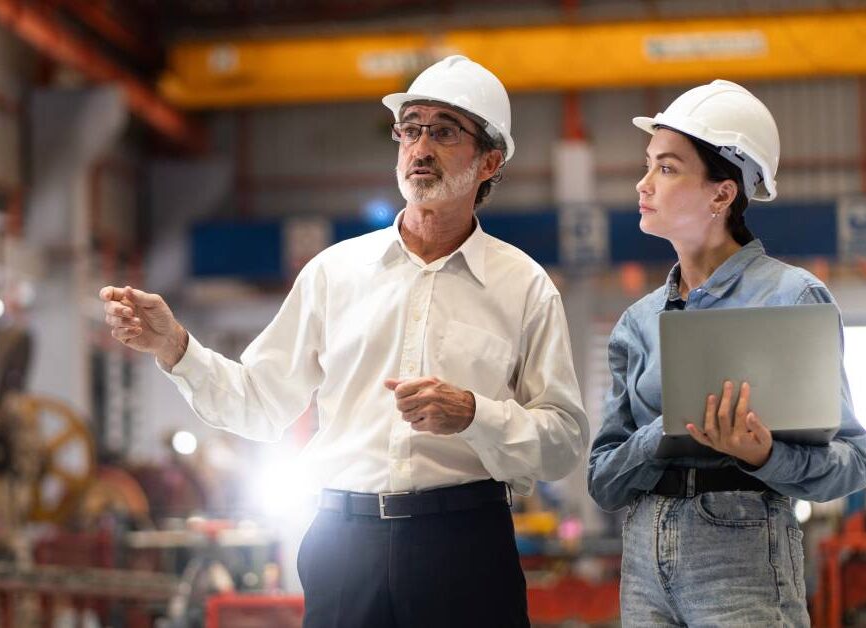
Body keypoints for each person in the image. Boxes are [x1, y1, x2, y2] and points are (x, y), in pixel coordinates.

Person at [101, 55, 589, 628]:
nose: (420, 147)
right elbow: (260, 405)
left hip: (465, 546)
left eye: (445, 132)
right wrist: (176, 348)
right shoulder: (335, 274)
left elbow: (563, 441)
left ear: (489, 161)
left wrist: (474, 414)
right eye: (410, 129)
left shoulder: (524, 287)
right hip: (343, 546)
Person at [587, 80, 866, 626]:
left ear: (723, 193)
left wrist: (762, 457)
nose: (643, 184)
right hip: (643, 554)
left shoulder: (791, 298)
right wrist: (665, 430)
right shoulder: (639, 322)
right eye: (647, 165)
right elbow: (603, 481)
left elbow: (854, 461)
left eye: (666, 169)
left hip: (742, 550)